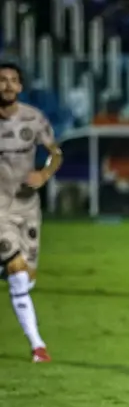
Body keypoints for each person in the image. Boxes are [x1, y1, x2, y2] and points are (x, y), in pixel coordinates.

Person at [0, 62, 63, 362]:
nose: (8, 85)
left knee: (28, 278)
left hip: (27, 209)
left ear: (21, 87)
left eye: (13, 80)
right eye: (2, 80)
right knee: (16, 270)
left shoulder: (33, 119)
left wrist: (43, 175)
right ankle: (38, 346)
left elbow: (56, 153)